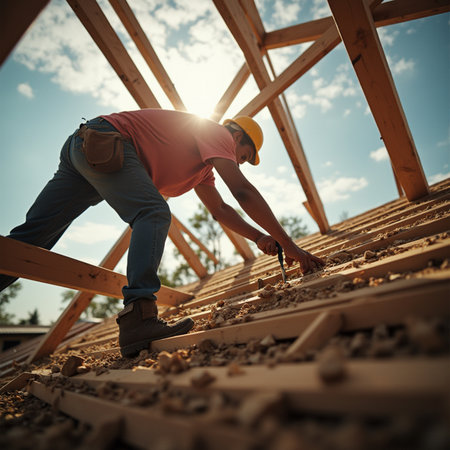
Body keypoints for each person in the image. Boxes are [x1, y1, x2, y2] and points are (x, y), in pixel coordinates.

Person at [0, 109, 324, 357]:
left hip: (85, 145)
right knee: (154, 212)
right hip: (107, 140)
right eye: (244, 156)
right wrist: (291, 246)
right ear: (237, 137)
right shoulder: (216, 133)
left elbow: (221, 209)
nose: (238, 161)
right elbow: (242, 191)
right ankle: (139, 316)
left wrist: (260, 238)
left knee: (29, 242)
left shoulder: (202, 169)